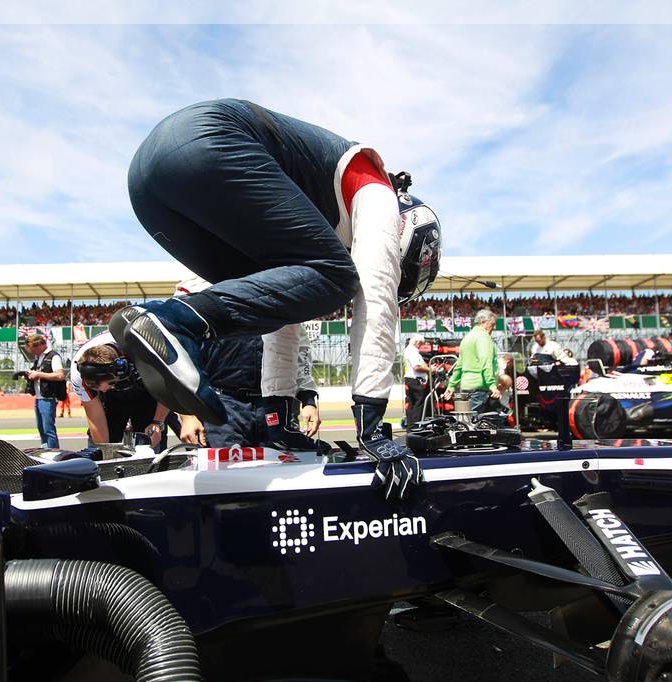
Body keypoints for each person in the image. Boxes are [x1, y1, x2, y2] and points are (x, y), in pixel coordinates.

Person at [110, 100, 441, 501]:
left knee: (277, 293)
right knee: (339, 279)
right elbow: (377, 303)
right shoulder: (378, 193)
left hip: (147, 184)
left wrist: (278, 417)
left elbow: (284, 317)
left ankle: (160, 324)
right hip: (208, 140)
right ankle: (176, 322)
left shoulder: (310, 226)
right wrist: (372, 429)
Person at [172, 277, 324, 450]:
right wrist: (187, 415)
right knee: (225, 467)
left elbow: (299, 348)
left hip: (274, 405)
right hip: (222, 405)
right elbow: (177, 351)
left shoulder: (281, 283)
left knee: (282, 466)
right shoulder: (197, 285)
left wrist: (308, 400)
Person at [70, 331, 170, 450]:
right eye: (95, 387)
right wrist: (104, 452)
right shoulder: (78, 374)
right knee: (100, 450)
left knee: (151, 441)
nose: (104, 390)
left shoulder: (145, 351)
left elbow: (167, 389)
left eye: (111, 384)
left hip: (147, 393)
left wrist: (158, 422)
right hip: (111, 402)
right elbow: (95, 416)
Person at [442, 309, 501, 413]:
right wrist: (492, 385)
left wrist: (451, 386)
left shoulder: (467, 337)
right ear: (483, 322)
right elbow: (486, 362)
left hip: (466, 387)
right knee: (483, 421)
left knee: (469, 420)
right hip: (481, 388)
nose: (494, 327)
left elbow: (459, 365)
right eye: (492, 324)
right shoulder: (483, 337)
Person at [23, 333, 65, 449]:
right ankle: (45, 450)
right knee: (41, 428)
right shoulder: (39, 357)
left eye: (33, 350)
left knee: (48, 429)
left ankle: (54, 453)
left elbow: (60, 375)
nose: (33, 353)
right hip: (39, 397)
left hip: (48, 398)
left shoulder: (53, 356)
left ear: (39, 345)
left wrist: (38, 374)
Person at [402, 333, 429, 427]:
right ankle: (415, 426)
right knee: (418, 403)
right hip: (414, 380)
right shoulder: (412, 351)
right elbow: (417, 367)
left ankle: (411, 426)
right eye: (421, 344)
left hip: (411, 379)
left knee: (412, 403)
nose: (421, 346)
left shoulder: (409, 351)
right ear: (417, 342)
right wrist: (430, 369)